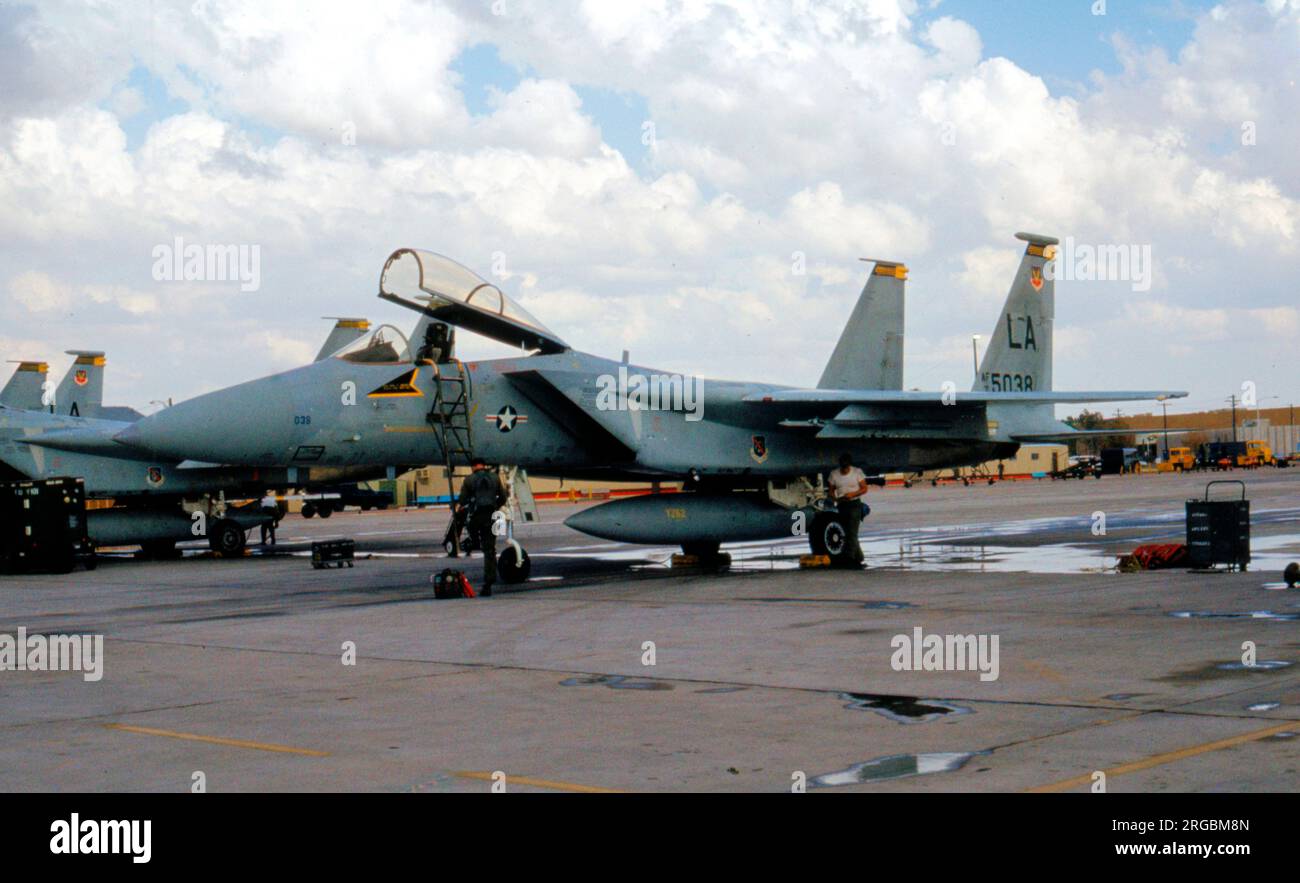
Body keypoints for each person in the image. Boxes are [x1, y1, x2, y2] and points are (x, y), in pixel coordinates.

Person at [456, 457, 508, 595]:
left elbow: (462, 499)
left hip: (477, 517)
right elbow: (503, 497)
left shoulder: (469, 480)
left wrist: (458, 506)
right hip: (491, 516)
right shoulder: (495, 478)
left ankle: (473, 543)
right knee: (490, 550)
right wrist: (496, 506)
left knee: (473, 533)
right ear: (484, 465)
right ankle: (489, 582)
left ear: (473, 467)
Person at [827, 452, 870, 567]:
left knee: (852, 531)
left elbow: (864, 488)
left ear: (849, 465)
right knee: (847, 532)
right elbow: (831, 490)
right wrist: (835, 498)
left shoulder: (857, 472)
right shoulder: (834, 474)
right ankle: (859, 557)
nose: (845, 470)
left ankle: (850, 559)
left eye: (846, 467)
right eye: (843, 467)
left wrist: (853, 494)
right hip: (842, 504)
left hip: (854, 504)